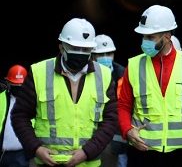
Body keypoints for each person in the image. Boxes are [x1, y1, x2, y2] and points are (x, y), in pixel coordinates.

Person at [117, 5, 182, 167]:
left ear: (167, 37)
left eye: (150, 37)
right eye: (144, 37)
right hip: (142, 152)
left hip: (179, 155)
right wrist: (127, 130)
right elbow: (123, 105)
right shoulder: (133, 65)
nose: (145, 42)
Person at [11, 18, 117, 167]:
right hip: (47, 163)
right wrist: (36, 148)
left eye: (85, 50)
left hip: (88, 163)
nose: (80, 53)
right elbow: (20, 116)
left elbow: (111, 120)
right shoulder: (39, 72)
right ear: (61, 47)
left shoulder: (104, 76)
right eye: (75, 48)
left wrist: (87, 152)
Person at [91, 34, 127, 167]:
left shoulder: (123, 74)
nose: (106, 58)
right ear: (92, 56)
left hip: (117, 137)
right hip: (91, 136)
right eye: (101, 54)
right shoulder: (85, 76)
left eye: (109, 53)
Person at [0, 65, 29, 167]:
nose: (17, 88)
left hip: (23, 154)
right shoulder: (1, 98)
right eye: (14, 85)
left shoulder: (33, 101)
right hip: (2, 153)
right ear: (7, 82)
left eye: (20, 85)